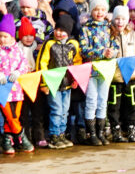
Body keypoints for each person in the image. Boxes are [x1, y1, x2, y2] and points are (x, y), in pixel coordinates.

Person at [36, 14, 82, 149]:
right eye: (57, 29)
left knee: (65, 110)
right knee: (56, 109)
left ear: (68, 32)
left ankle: (62, 134)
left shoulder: (73, 45)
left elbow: (77, 63)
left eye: (63, 30)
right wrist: (44, 83)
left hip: (67, 84)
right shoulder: (49, 44)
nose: (59, 33)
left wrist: (75, 79)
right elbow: (42, 63)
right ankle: (54, 135)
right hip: (53, 84)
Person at [79, 0, 119, 146]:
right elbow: (83, 49)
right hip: (91, 71)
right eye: (96, 9)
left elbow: (115, 46)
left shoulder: (110, 28)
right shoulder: (86, 28)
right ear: (91, 11)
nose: (99, 12)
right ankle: (92, 133)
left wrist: (112, 52)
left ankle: (101, 132)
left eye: (102, 9)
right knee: (91, 101)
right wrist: (101, 52)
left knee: (103, 101)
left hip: (106, 71)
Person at [108, 5, 135, 143]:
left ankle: (131, 130)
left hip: (131, 76)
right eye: (117, 18)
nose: (120, 22)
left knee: (132, 105)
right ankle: (116, 131)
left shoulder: (133, 34)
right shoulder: (109, 34)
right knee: (114, 106)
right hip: (115, 77)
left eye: (123, 19)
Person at [0, 14, 34, 155]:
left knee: (15, 115)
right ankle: (22, 137)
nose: (2, 39)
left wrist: (18, 72)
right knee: (10, 116)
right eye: (0, 36)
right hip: (2, 91)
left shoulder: (18, 51)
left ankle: (7, 141)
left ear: (13, 37)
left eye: (5, 36)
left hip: (17, 91)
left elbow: (24, 65)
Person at [17, 17, 46, 148]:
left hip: (36, 82)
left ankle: (39, 136)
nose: (28, 38)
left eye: (31, 35)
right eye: (25, 35)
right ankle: (26, 137)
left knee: (38, 112)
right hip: (22, 84)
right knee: (23, 113)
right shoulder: (16, 49)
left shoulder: (38, 47)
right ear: (20, 36)